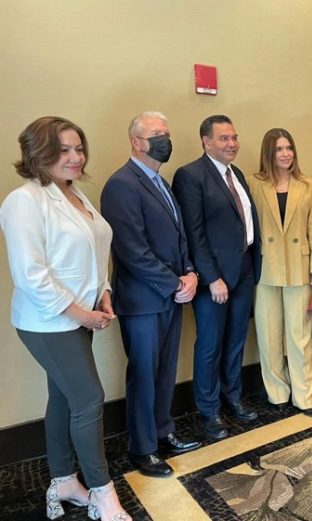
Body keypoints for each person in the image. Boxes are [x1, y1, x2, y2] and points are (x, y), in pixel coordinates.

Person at [0, 117, 130, 520]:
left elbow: (92, 252)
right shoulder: (24, 200)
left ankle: (63, 481)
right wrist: (82, 314)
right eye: (63, 150)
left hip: (81, 315)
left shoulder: (74, 193)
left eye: (79, 148)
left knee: (64, 397)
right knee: (89, 399)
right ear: (38, 153)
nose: (76, 157)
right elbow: (30, 274)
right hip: (47, 322)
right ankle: (102, 493)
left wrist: (104, 292)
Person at [101, 112, 201, 478]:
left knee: (164, 371)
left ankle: (163, 432)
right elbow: (132, 250)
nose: (165, 140)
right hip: (143, 301)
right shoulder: (121, 185)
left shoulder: (162, 183)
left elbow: (180, 237)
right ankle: (142, 449)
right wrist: (175, 283)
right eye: (156, 134)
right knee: (144, 374)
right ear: (135, 141)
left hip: (171, 296)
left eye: (167, 133)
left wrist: (190, 273)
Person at [172, 116, 261, 439]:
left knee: (236, 340)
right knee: (210, 345)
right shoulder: (190, 175)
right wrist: (212, 278)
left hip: (244, 270)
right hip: (215, 280)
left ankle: (232, 397)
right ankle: (209, 411)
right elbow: (193, 233)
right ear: (206, 141)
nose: (232, 143)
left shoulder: (237, 174)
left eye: (234, 137)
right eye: (224, 138)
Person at [247, 128, 312, 417]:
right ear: (269, 152)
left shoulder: (307, 185)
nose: (285, 153)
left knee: (299, 335)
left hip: (299, 267)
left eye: (289, 147)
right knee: (268, 334)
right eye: (279, 148)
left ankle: (305, 395)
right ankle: (277, 392)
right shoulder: (254, 183)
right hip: (266, 268)